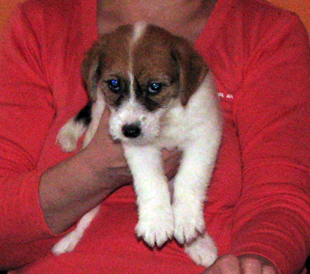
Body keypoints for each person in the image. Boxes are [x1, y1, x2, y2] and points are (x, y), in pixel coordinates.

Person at [0, 0, 310, 273]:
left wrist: (256, 262)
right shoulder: (39, 23)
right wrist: (96, 170)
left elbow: (281, 198)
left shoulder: (265, 32)